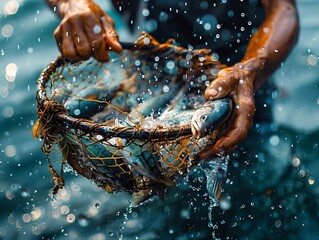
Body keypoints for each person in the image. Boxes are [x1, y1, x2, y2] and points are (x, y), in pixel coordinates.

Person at [45, 0, 300, 238]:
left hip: (243, 96)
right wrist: (72, 5)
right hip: (149, 94)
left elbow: (284, 8)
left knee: (248, 204)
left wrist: (251, 70)